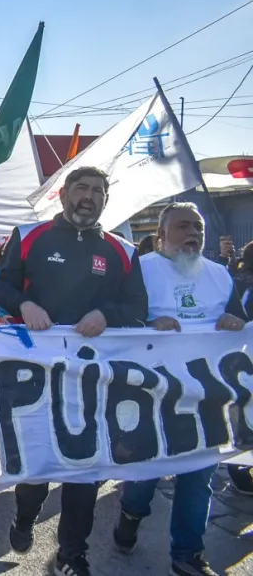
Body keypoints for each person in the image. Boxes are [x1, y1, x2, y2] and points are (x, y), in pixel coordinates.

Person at [0, 166, 148, 576]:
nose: (89, 196)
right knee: (38, 467)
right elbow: (1, 287)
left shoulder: (123, 251)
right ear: (63, 195)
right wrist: (23, 305)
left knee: (86, 471)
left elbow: (137, 309)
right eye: (81, 187)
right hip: (36, 377)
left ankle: (71, 555)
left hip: (95, 381)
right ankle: (25, 515)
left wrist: (106, 314)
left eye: (98, 190)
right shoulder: (28, 236)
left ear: (105, 200)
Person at [112, 202, 247, 576]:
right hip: (149, 397)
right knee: (143, 478)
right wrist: (148, 322)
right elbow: (117, 320)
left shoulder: (221, 276)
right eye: (184, 227)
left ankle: (187, 554)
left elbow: (240, 326)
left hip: (207, 398)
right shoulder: (139, 271)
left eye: (198, 229)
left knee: (198, 476)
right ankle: (131, 513)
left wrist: (234, 320)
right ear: (160, 236)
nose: (193, 235)